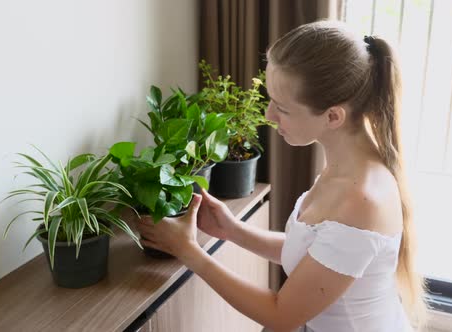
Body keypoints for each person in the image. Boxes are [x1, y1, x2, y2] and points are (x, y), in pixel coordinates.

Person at [136, 20, 427, 332]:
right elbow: (315, 254)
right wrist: (233, 230)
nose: (268, 115)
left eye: (283, 108)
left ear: (333, 116)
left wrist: (189, 251)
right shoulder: (346, 165)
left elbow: (282, 316)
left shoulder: (362, 199)